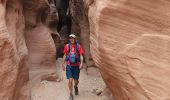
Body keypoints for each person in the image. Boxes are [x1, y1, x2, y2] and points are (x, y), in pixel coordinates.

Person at [62, 34, 84, 100]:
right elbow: (65, 55)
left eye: (73, 38)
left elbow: (81, 55)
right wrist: (63, 63)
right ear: (69, 39)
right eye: (70, 38)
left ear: (75, 39)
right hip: (69, 65)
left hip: (76, 66)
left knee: (76, 81)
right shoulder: (67, 46)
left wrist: (81, 63)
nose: (71, 39)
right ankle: (71, 94)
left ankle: (75, 86)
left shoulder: (78, 46)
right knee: (70, 80)